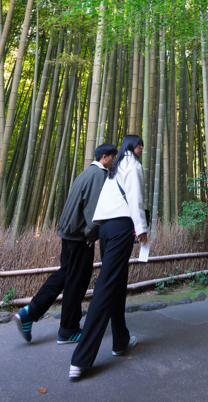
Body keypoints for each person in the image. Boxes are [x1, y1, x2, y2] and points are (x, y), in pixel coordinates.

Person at [14, 143, 118, 345]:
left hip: (69, 233)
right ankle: (68, 330)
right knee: (76, 281)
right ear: (105, 157)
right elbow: (94, 209)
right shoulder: (98, 175)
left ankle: (29, 313)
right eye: (112, 158)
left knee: (66, 274)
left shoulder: (85, 173)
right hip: (81, 236)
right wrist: (91, 235)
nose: (113, 162)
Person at [69, 134, 148, 380]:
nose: (141, 150)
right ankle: (80, 359)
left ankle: (121, 341)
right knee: (106, 286)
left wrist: (95, 231)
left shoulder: (114, 168)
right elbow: (135, 199)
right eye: (140, 147)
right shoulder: (132, 165)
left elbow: (102, 204)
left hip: (105, 229)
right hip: (123, 227)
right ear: (132, 147)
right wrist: (142, 229)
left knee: (116, 283)